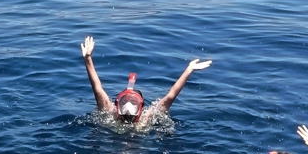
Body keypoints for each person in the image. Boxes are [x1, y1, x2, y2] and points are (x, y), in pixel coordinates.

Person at [80, 36, 211, 126]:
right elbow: (97, 89)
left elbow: (97, 89)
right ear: (117, 105)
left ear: (141, 108)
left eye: (133, 102)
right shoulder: (144, 121)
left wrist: (88, 59)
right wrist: (88, 59)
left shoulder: (114, 116)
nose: (128, 106)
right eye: (125, 101)